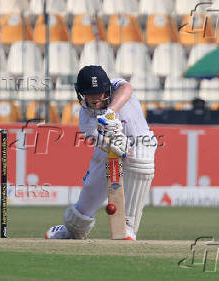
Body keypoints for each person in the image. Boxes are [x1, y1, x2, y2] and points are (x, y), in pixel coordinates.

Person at [46, 65, 157, 240]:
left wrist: (110, 113)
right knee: (90, 187)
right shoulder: (85, 116)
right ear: (81, 94)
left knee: (142, 163)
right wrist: (113, 144)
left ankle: (127, 227)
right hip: (108, 150)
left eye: (99, 92)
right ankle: (75, 229)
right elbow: (97, 140)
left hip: (140, 141)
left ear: (107, 89)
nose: (95, 98)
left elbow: (127, 88)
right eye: (90, 94)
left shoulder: (117, 87)